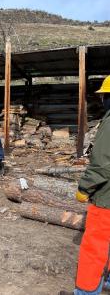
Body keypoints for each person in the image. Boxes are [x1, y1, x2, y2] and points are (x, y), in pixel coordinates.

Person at [60, 75, 110, 295]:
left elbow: (102, 164)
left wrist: (84, 188)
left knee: (95, 246)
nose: (102, 101)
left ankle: (86, 292)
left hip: (107, 198)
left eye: (105, 96)